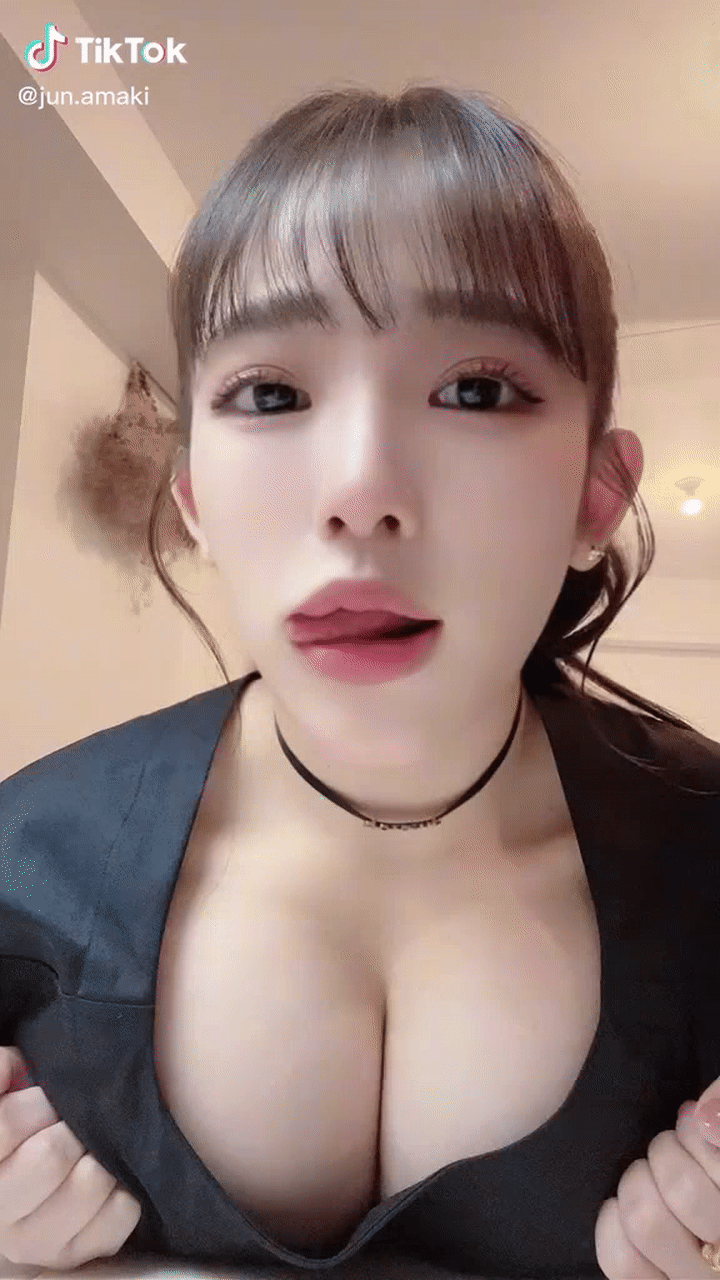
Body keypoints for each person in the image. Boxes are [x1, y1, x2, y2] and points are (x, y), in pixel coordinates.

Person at [1, 82, 720, 1280]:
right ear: (195, 499)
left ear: (599, 494)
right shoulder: (26, 863)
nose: (360, 491)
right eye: (271, 394)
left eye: (476, 389)